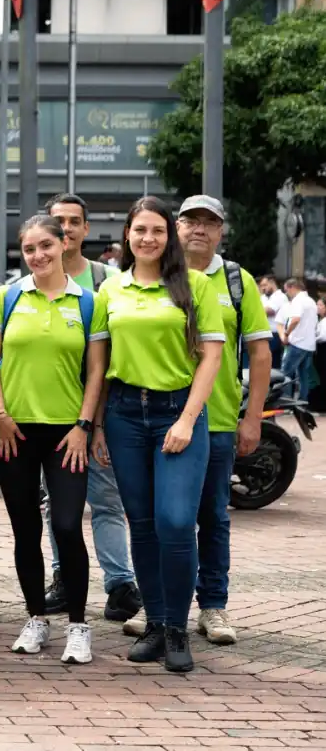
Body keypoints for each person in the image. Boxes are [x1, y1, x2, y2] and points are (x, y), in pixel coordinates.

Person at [91, 196, 224, 673]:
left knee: (174, 521)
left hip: (177, 409)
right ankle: (156, 624)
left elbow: (211, 356)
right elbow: (100, 364)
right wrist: (99, 424)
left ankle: (177, 628)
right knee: (142, 524)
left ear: (169, 236)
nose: (148, 238)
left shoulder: (195, 284)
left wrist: (188, 418)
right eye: (139, 229)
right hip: (125, 413)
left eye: (157, 230)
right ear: (127, 235)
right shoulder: (112, 288)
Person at [0, 215, 106, 665]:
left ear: (63, 243)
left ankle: (78, 624)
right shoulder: (7, 297)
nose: (38, 255)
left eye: (46, 245)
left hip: (67, 432)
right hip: (13, 431)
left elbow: (96, 370)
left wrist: (84, 425)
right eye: (30, 248)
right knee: (25, 529)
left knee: (68, 526)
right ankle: (35, 616)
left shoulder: (88, 302)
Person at [174, 195, 272, 647]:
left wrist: (252, 418)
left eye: (209, 222)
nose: (199, 229)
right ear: (177, 227)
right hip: (159, 417)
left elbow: (259, 352)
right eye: (191, 220)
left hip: (215, 421)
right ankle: (156, 601)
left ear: (220, 231)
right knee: (162, 517)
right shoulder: (155, 274)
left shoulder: (237, 281)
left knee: (212, 515)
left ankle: (213, 604)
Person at [42, 194, 141, 622]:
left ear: (85, 229)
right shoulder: (27, 281)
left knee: (106, 499)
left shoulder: (108, 279)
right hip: (51, 410)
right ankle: (64, 577)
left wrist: (97, 419)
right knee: (54, 503)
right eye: (57, 221)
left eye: (74, 222)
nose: (65, 228)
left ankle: (120, 584)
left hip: (101, 411)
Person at [280, 278, 318, 402]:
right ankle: (303, 402)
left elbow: (295, 319)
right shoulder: (311, 301)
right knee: (303, 376)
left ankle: (286, 400)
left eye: (287, 291)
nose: (287, 294)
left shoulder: (298, 300)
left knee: (285, 373)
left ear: (292, 287)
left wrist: (286, 333)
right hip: (309, 344)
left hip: (297, 343)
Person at [259, 275, 289, 369]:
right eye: (261, 286)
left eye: (265, 285)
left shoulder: (280, 297)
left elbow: (269, 311)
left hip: (275, 334)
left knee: (273, 363)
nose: (263, 288)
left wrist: (256, 310)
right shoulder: (263, 297)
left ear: (272, 283)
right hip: (264, 333)